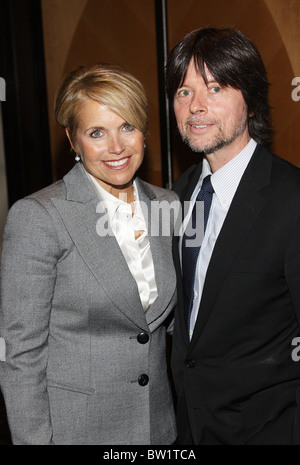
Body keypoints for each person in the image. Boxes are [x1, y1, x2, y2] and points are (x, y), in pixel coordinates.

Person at [0, 63, 178, 445]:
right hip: (76, 432)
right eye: (97, 132)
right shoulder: (39, 216)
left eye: (127, 126)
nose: (116, 147)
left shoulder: (168, 206)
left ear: (144, 130)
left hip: (157, 430)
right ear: (72, 139)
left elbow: (170, 324)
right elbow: (21, 355)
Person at [166, 26, 300, 445]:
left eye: (216, 87)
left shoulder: (291, 199)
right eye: (184, 92)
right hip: (185, 427)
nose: (196, 107)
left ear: (252, 102)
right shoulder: (176, 195)